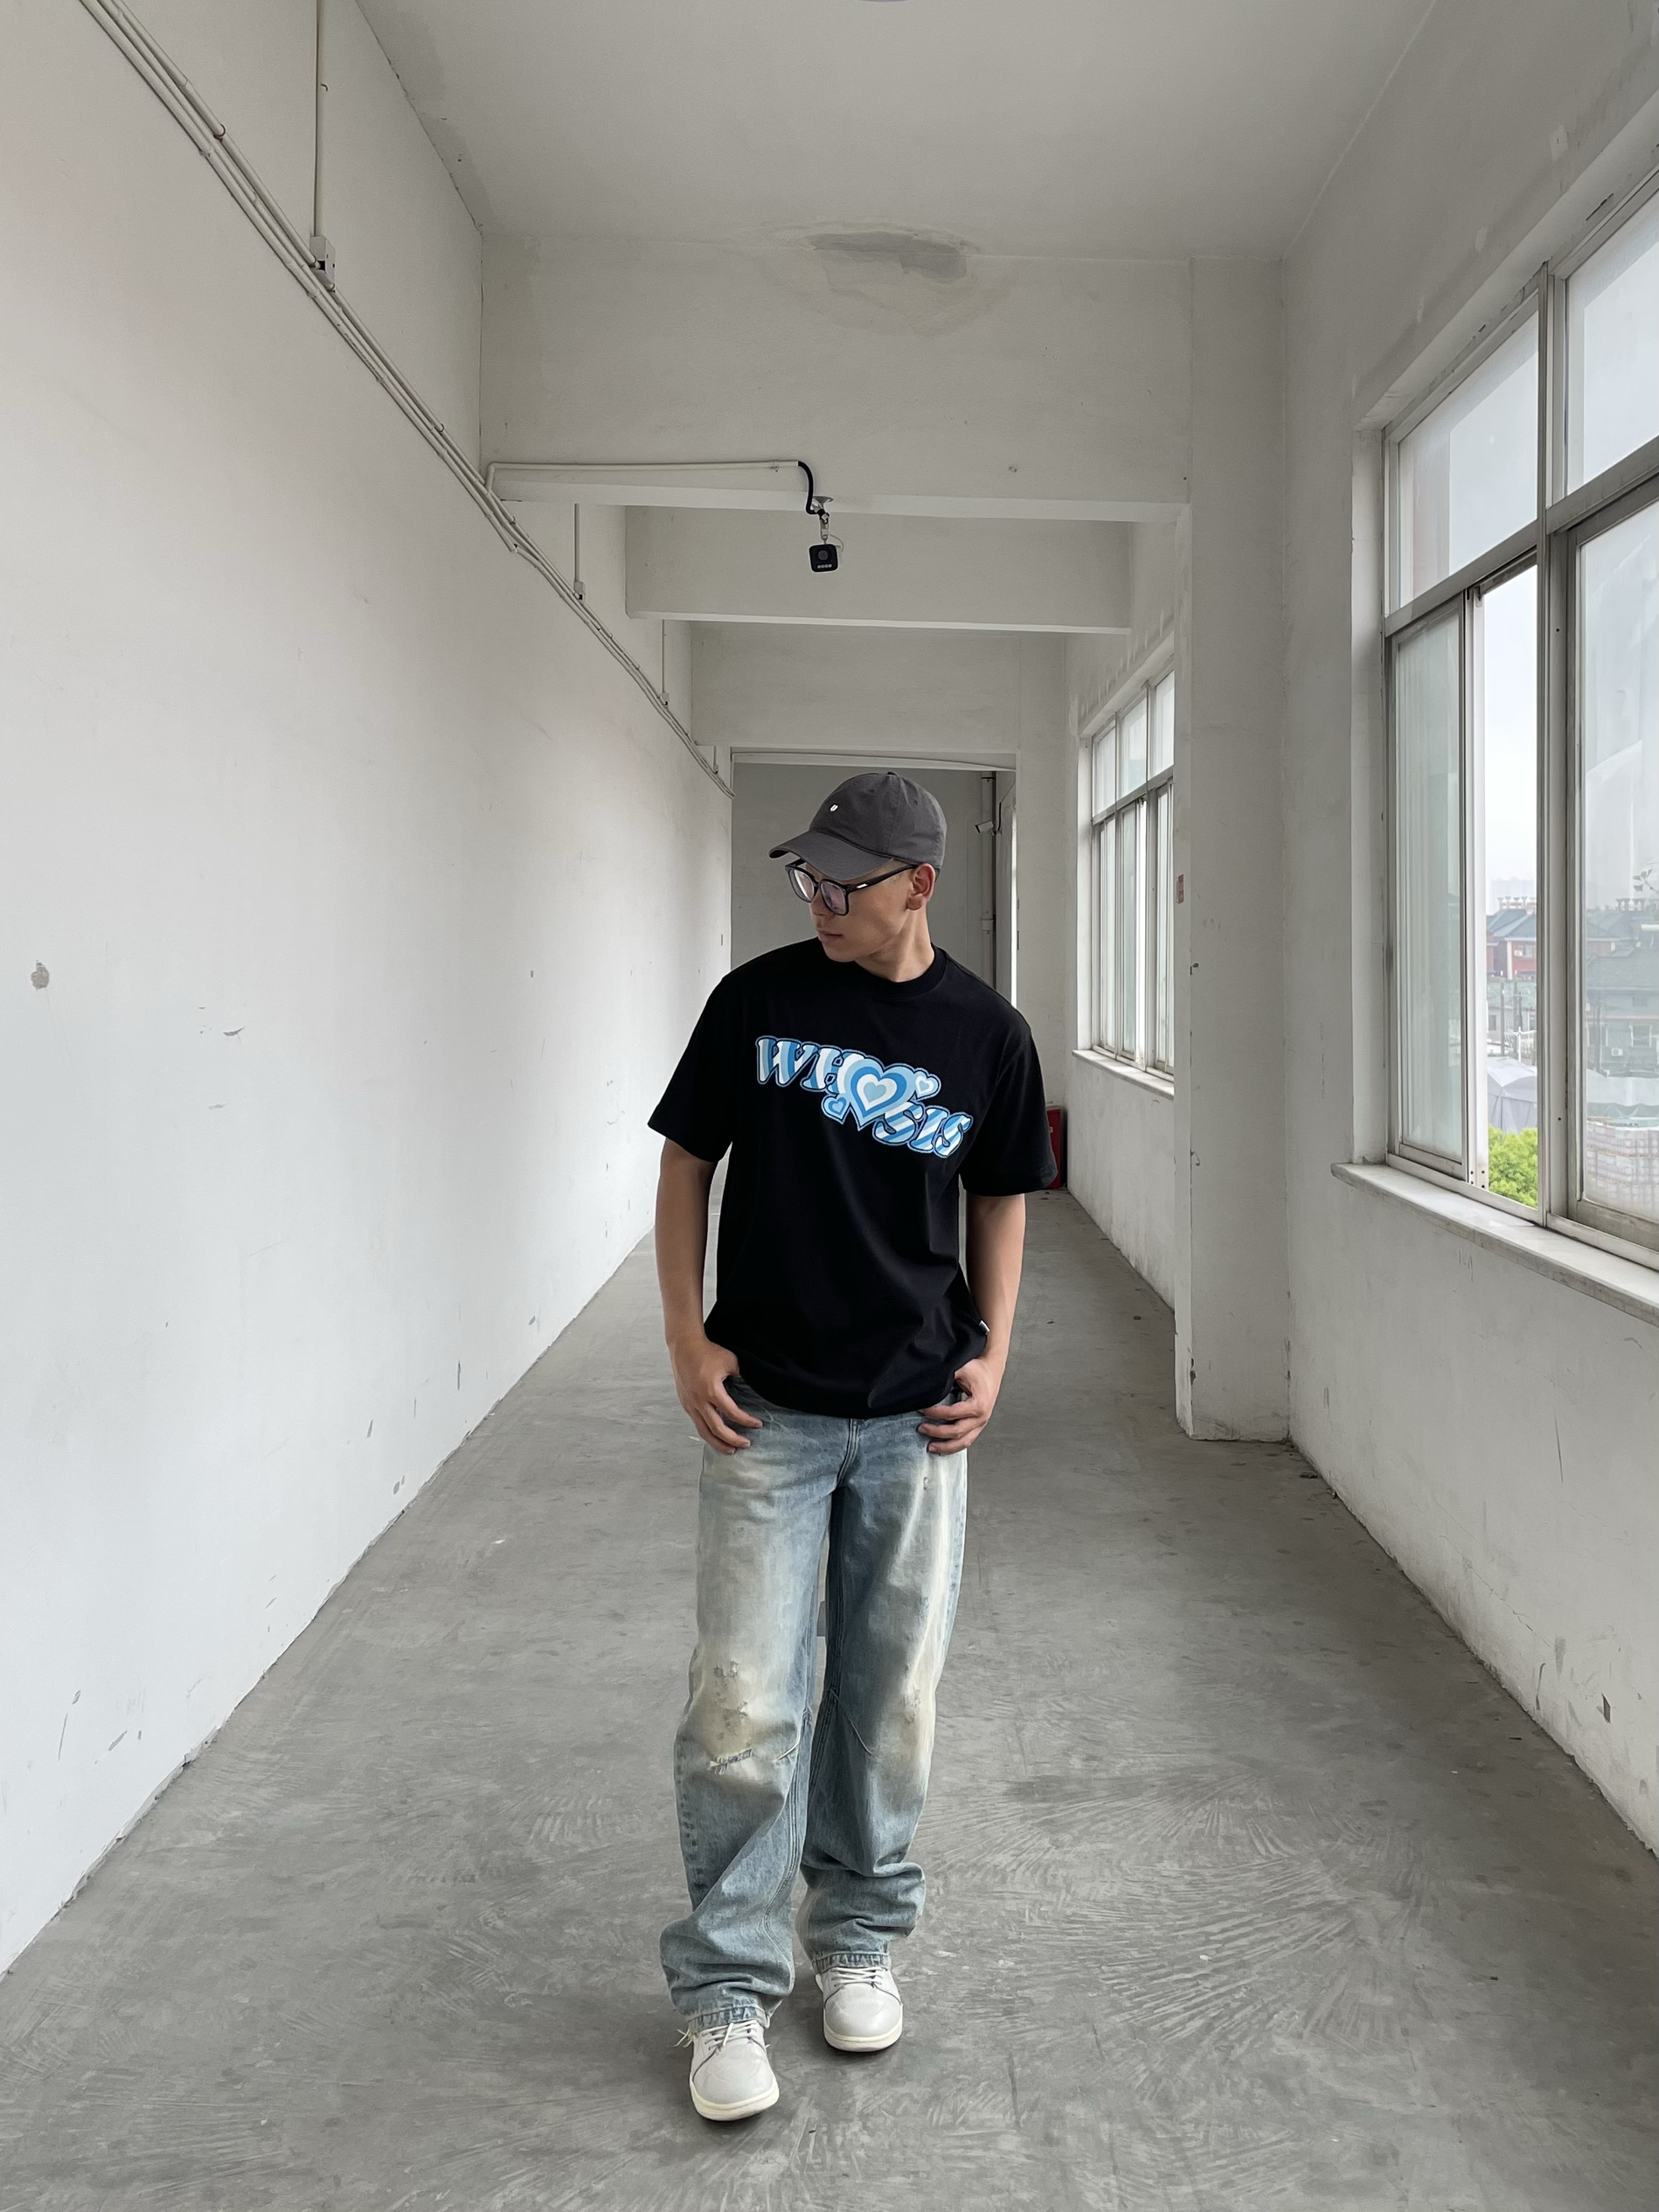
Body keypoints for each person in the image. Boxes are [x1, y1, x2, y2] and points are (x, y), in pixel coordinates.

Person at [649, 769, 1053, 2122]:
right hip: (764, 1408)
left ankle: (859, 1938)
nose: (818, 900)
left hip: (913, 1419)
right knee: (742, 1707)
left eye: (844, 881)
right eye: (807, 877)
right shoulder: (754, 1003)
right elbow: (686, 1162)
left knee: (887, 1703)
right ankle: (726, 1986)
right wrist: (685, 1335)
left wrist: (993, 1350)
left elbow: (999, 1196)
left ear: (918, 885)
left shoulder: (987, 1034)